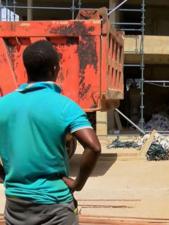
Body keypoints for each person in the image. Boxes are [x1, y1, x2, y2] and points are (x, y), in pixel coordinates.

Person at [0, 40, 101, 225]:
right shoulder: (65, 106)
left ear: (26, 69)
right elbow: (93, 147)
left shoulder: (3, 105)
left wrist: (3, 174)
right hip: (55, 208)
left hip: (15, 206)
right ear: (55, 68)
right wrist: (78, 184)